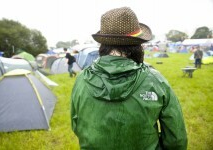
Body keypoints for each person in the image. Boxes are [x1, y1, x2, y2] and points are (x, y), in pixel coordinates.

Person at [71, 7, 188, 149]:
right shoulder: (156, 80)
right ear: (138, 45)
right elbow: (176, 138)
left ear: (103, 44)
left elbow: (77, 125)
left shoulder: (82, 79)